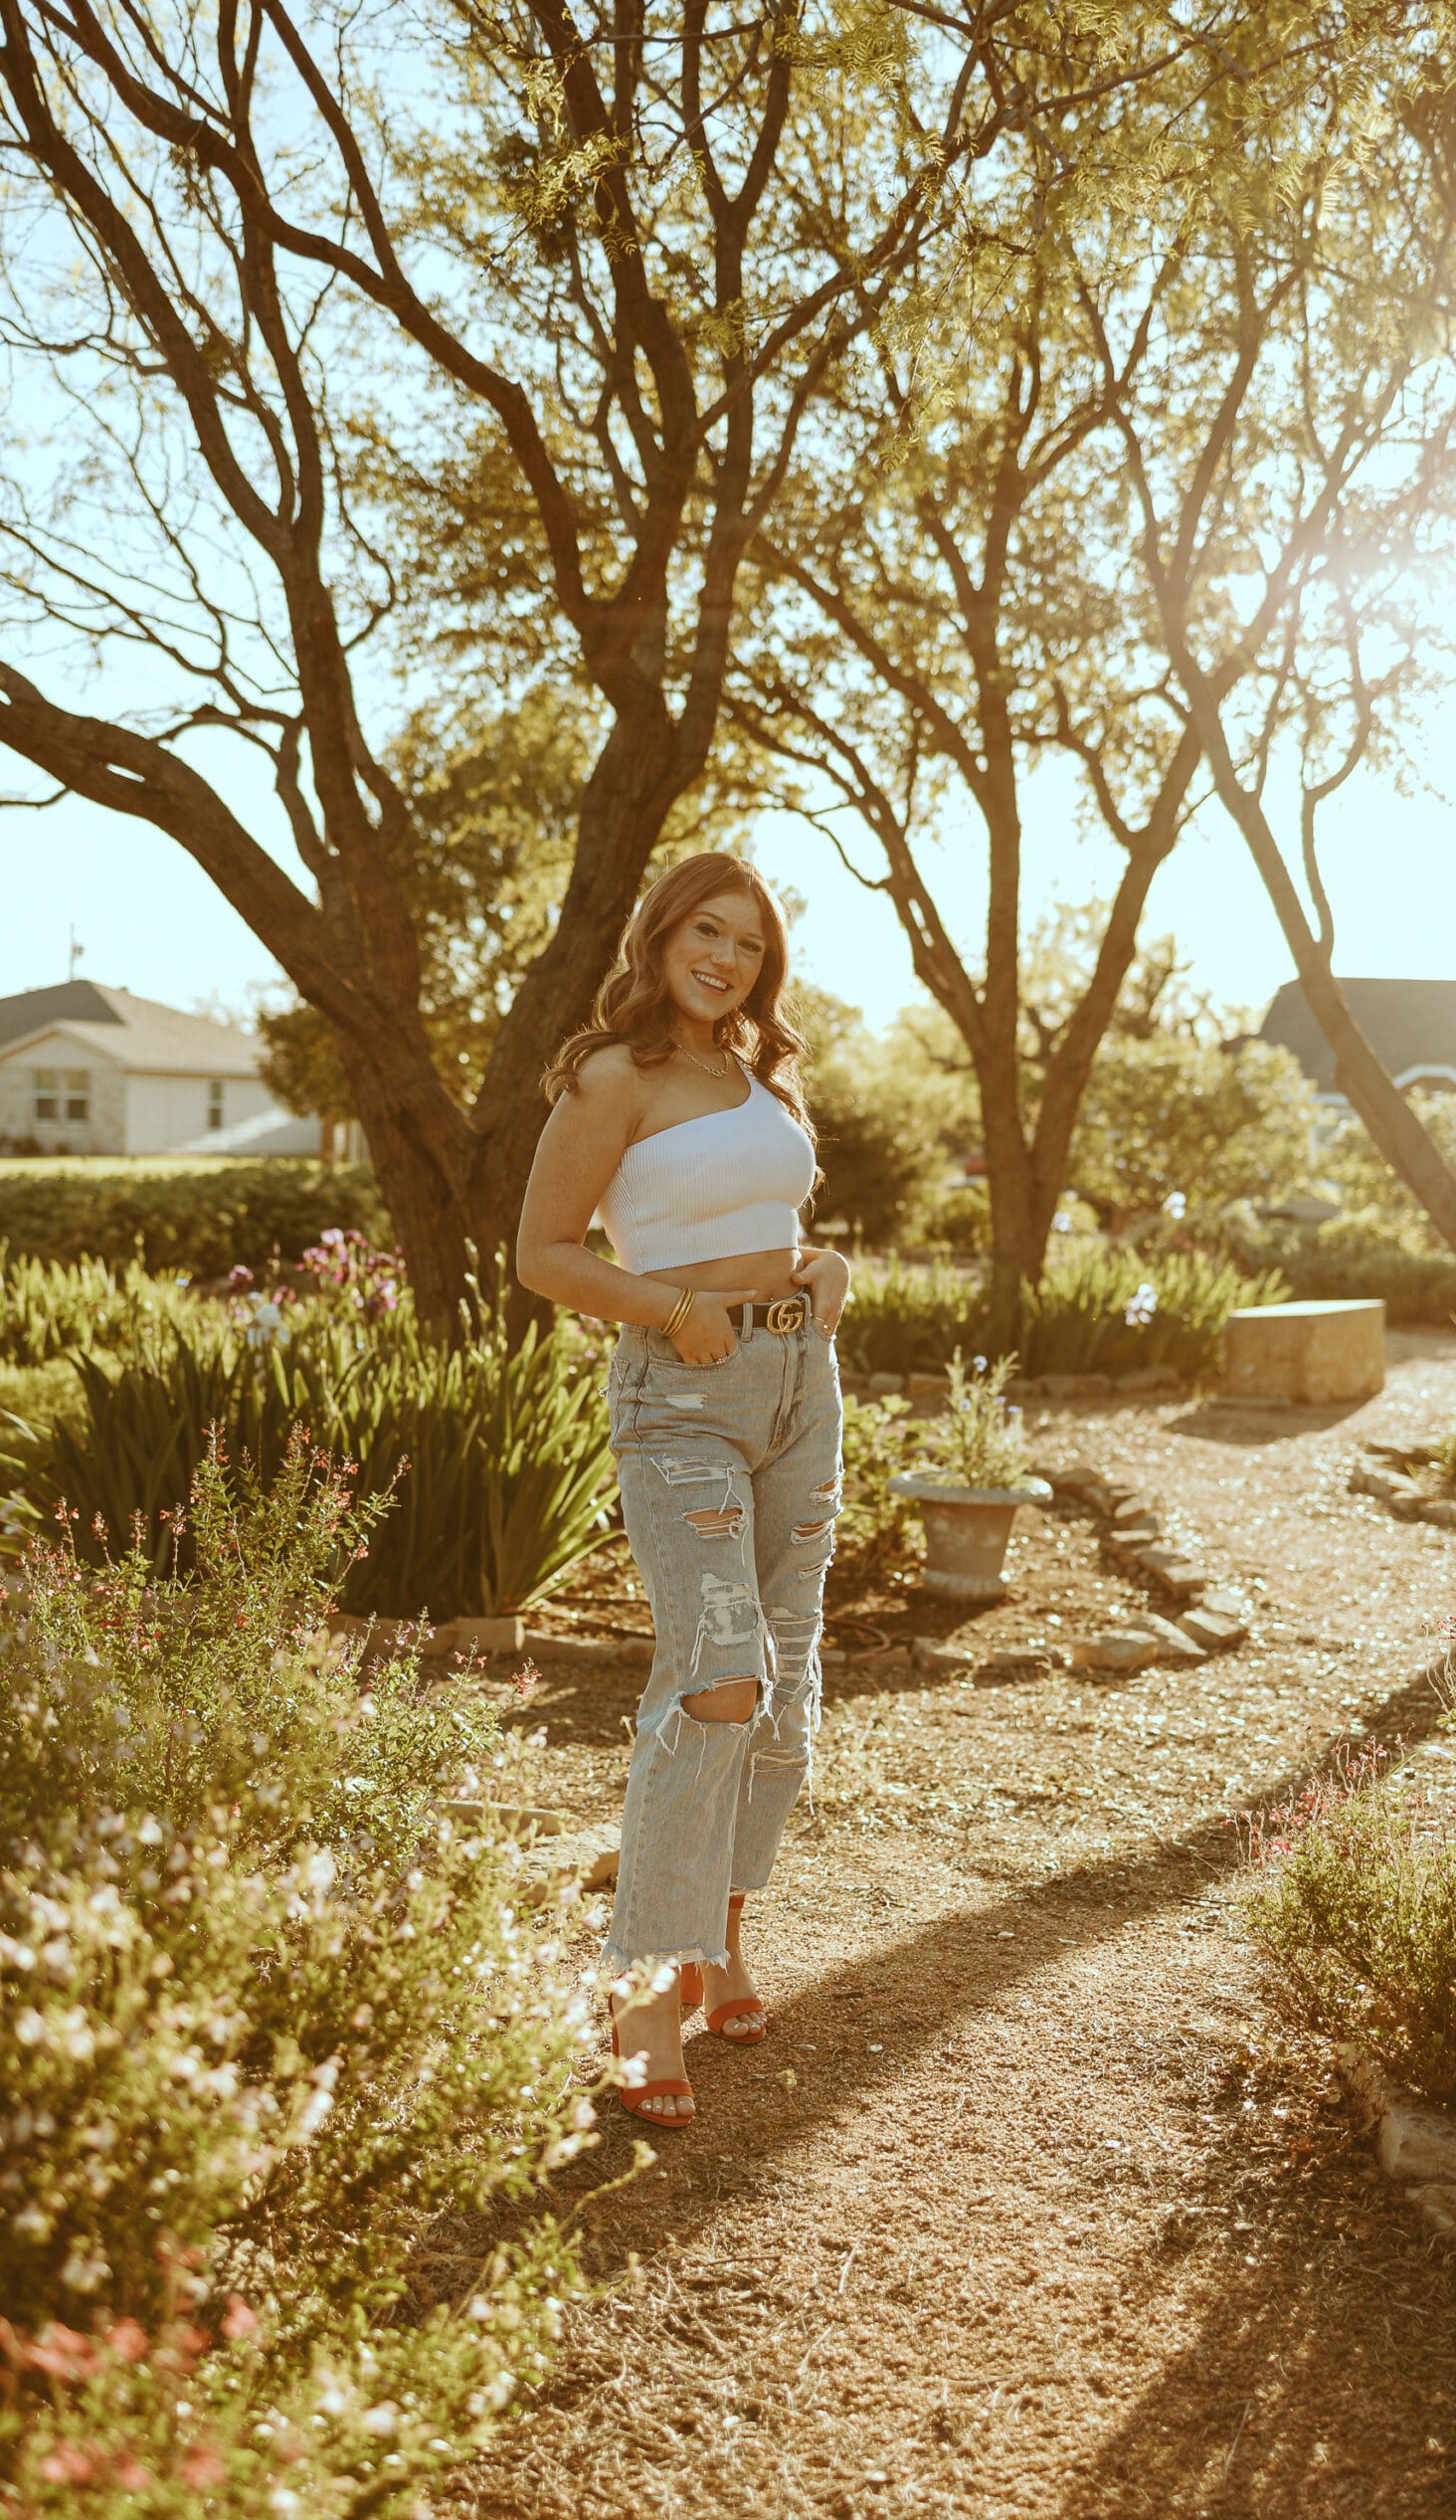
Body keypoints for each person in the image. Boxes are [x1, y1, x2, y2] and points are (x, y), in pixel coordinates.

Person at [517, 853, 850, 2129]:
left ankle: (717, 1936)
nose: (727, 957)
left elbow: (774, 1219)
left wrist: (825, 1269)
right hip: (682, 1396)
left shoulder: (758, 1075)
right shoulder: (614, 1076)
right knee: (718, 1671)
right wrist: (668, 1305)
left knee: (787, 1684)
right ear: (659, 934)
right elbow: (542, 1253)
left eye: (751, 944)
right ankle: (641, 1986)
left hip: (799, 1384)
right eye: (706, 931)